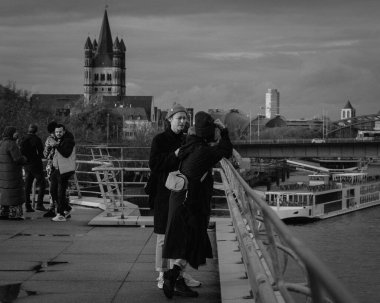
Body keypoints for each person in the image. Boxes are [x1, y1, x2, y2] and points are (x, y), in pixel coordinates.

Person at [162, 111, 233, 299]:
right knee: (190, 241)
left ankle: (175, 277)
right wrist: (224, 131)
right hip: (189, 204)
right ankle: (173, 277)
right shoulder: (204, 151)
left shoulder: (190, 143)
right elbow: (227, 150)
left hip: (180, 199)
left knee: (189, 242)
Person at [148, 104, 201, 291]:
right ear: (169, 119)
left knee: (182, 234)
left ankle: (178, 274)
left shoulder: (187, 139)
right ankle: (162, 274)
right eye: (179, 118)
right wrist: (175, 155)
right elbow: (154, 164)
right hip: (164, 193)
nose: (183, 121)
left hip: (183, 194)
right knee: (163, 235)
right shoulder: (160, 140)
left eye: (185, 118)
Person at [49, 124, 76, 222]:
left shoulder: (69, 140)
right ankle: (67, 208)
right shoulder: (60, 140)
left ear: (64, 131)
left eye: (60, 132)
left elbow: (66, 153)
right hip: (58, 169)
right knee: (53, 191)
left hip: (65, 170)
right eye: (56, 132)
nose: (58, 134)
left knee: (60, 192)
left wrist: (56, 145)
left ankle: (60, 214)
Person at [0, 126, 27, 220]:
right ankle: (15, 214)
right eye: (15, 132)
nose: (17, 134)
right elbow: (17, 159)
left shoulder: (1, 143)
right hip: (13, 173)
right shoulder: (12, 144)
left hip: (3, 174)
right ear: (11, 133)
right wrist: (25, 159)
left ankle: (3, 213)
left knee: (4, 192)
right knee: (14, 192)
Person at [20, 124, 47, 212]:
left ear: (28, 130)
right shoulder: (37, 139)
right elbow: (41, 153)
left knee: (27, 185)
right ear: (36, 131)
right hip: (35, 164)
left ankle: (27, 205)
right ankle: (39, 204)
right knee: (42, 183)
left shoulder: (23, 138)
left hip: (26, 164)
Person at [42, 121, 59, 218]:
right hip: (62, 165)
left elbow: (45, 154)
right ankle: (64, 207)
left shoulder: (50, 139)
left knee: (52, 188)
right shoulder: (62, 138)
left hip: (51, 165)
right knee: (63, 187)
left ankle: (52, 208)